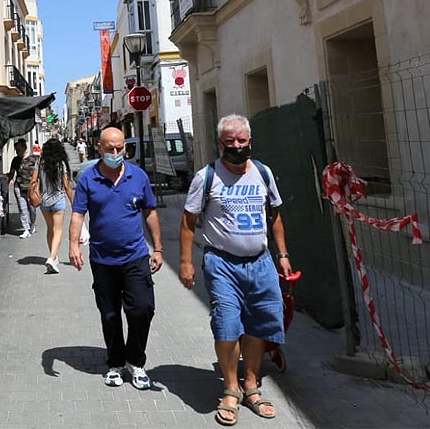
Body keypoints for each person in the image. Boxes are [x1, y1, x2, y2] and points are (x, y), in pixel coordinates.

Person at [178, 114, 292, 425]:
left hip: (261, 262)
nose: (237, 146)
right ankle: (230, 388)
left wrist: (282, 254)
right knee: (228, 326)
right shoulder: (207, 177)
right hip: (222, 263)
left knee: (257, 325)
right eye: (230, 142)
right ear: (220, 144)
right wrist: (186, 262)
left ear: (250, 142)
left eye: (242, 141)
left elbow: (276, 216)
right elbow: (188, 224)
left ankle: (251, 385)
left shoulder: (263, 174)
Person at [69, 126, 162, 390]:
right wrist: (73, 245)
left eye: (120, 148)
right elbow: (77, 214)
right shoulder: (88, 179)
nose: (116, 153)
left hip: (135, 257)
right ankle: (115, 362)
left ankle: (136, 360)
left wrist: (158, 248)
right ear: (99, 147)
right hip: (103, 259)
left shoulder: (138, 176)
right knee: (110, 315)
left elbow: (150, 212)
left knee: (143, 309)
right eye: (110, 148)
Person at [31, 138, 75, 274]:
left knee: (50, 229)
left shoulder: (40, 162)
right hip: (58, 200)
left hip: (44, 200)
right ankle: (52, 257)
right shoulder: (61, 164)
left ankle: (53, 256)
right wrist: (75, 203)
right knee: (58, 230)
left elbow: (33, 180)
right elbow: (67, 186)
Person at [7, 138, 38, 238]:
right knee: (22, 208)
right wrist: (10, 179)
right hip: (19, 186)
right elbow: (12, 172)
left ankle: (32, 224)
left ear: (24, 148)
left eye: (18, 150)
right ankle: (25, 229)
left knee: (32, 209)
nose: (17, 152)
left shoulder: (34, 159)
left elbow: (39, 172)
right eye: (16, 150)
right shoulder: (16, 160)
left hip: (31, 187)